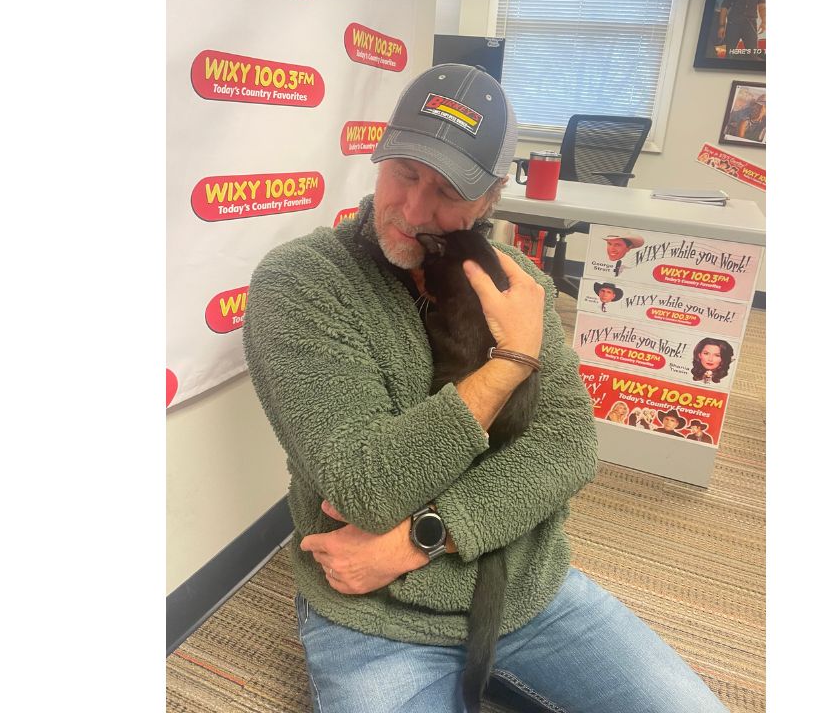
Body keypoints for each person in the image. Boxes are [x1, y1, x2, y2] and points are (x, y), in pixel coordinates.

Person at [243, 63, 728, 713]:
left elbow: (567, 447)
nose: (415, 210)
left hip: (523, 590)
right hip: (375, 613)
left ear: (490, 199)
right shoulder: (303, 282)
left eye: (447, 191)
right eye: (404, 173)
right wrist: (510, 363)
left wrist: (419, 538)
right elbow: (366, 486)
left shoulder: (516, 282)